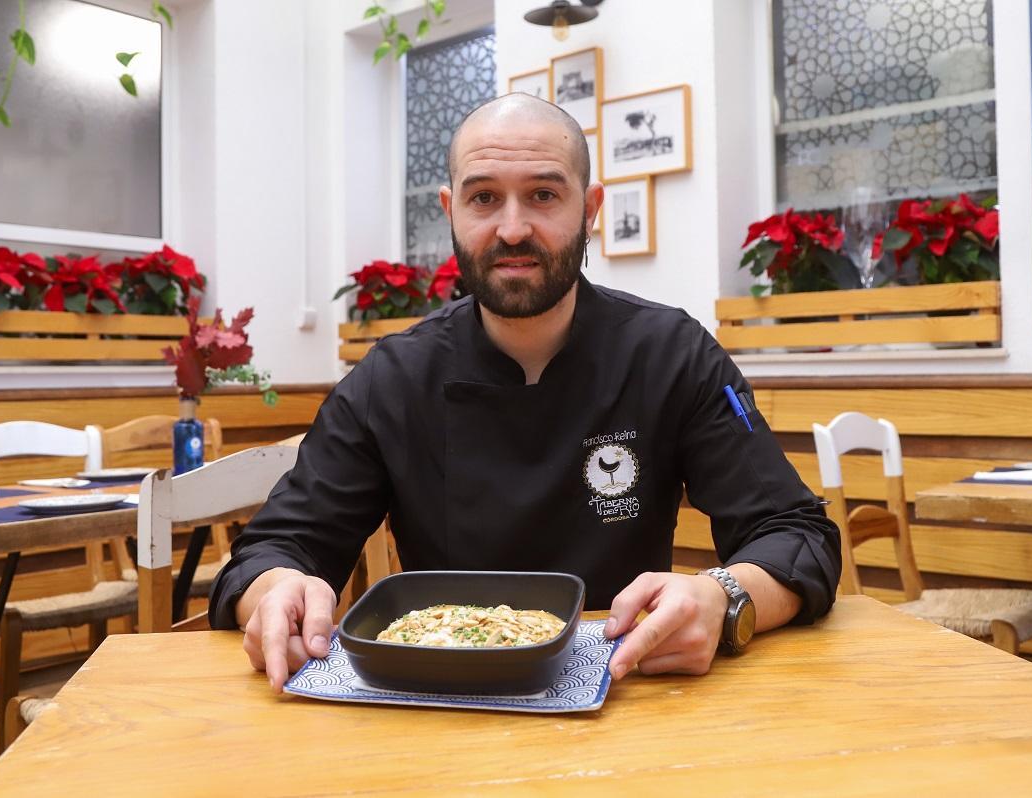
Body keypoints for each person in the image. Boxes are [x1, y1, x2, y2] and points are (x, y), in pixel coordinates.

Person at [209, 94, 840, 693]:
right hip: (435, 699)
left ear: (589, 208)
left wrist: (724, 596)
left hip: (632, 689)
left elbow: (795, 533)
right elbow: (273, 548)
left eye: (543, 195)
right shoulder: (394, 378)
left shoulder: (671, 354)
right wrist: (277, 590)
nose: (513, 229)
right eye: (484, 198)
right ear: (450, 208)